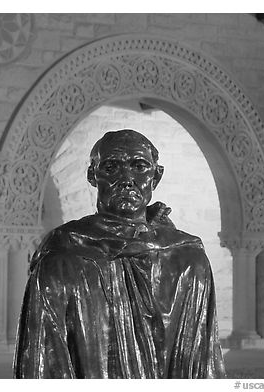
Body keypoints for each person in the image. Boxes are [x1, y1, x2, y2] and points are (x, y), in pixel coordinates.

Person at [13, 129, 226, 378]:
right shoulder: (62, 258)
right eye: (112, 167)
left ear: (156, 176)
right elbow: (42, 365)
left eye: (140, 166)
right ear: (93, 175)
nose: (127, 178)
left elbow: (202, 361)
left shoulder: (188, 261)